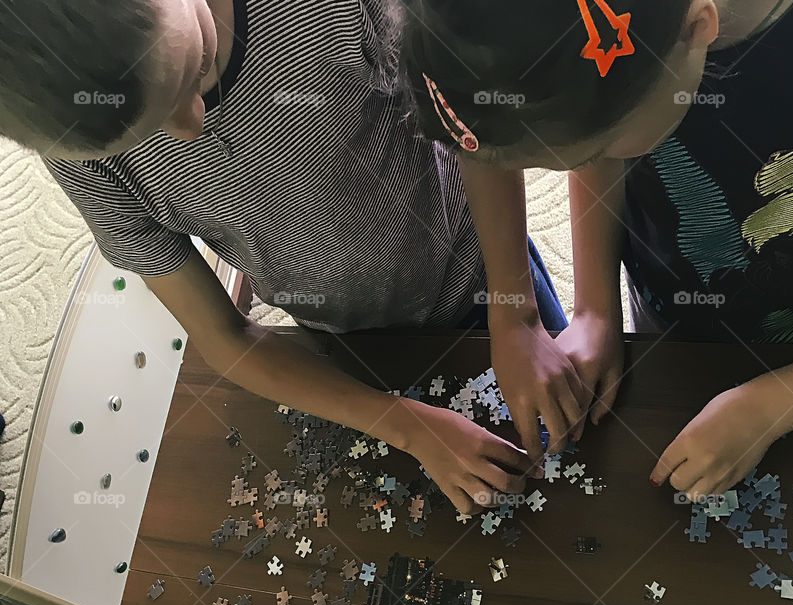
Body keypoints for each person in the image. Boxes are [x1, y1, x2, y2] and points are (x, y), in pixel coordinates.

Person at [0, 0, 590, 513]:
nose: (192, 126)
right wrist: (406, 426)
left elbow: (471, 126)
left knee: (583, 457)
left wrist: (516, 318)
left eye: (194, 74)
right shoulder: (81, 149)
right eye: (146, 134)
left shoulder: (333, 15)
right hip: (344, 344)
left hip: (485, 275)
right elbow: (227, 339)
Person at [398, 0, 793, 500]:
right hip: (668, 305)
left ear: (698, 27)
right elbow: (595, 117)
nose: (585, 166)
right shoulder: (598, 41)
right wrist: (595, 306)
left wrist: (767, 409)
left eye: (595, 148)